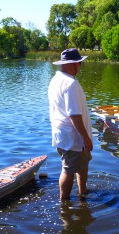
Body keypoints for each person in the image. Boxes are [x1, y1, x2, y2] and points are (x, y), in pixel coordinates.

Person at [48, 48, 93, 200]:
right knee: (68, 169)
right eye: (78, 63)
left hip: (61, 133)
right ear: (71, 64)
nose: (80, 66)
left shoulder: (55, 80)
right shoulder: (70, 84)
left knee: (83, 163)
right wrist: (86, 137)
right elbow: (74, 115)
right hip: (72, 136)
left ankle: (83, 191)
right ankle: (64, 202)